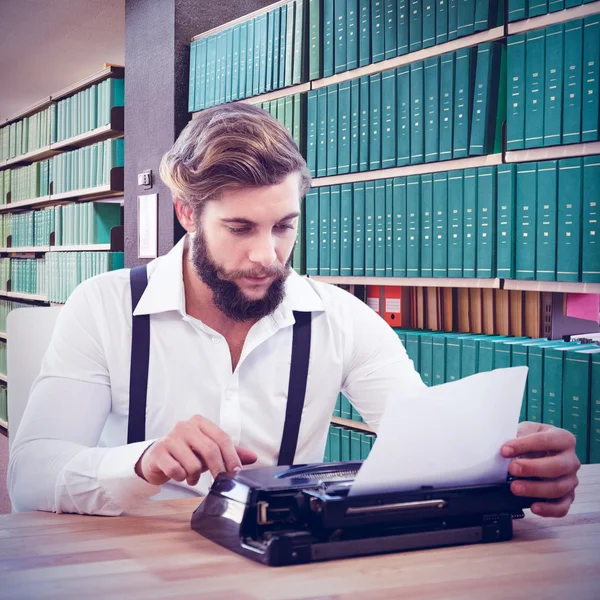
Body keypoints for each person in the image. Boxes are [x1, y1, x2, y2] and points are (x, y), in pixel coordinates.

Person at [8, 104, 580, 518]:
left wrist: (512, 466)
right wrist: (143, 462)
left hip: (280, 564)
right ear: (186, 214)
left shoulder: (343, 320)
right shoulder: (103, 306)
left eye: (284, 227)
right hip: (129, 565)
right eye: (240, 228)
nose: (268, 256)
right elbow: (30, 477)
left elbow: (425, 444)